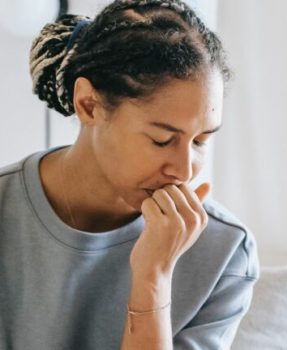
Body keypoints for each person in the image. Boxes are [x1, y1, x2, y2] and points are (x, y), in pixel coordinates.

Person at [0, 0, 259, 349]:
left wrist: (153, 277)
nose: (183, 171)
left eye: (200, 140)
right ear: (88, 105)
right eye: (162, 139)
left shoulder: (225, 252)